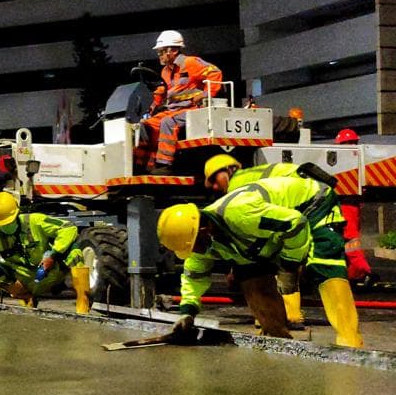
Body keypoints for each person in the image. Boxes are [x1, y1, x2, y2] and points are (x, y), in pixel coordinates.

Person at [158, 174, 363, 347]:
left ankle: (350, 342)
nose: (196, 252)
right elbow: (193, 277)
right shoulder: (201, 243)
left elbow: (296, 224)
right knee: (251, 276)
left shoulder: (241, 214)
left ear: (204, 231)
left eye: (195, 246)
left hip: (313, 204)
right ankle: (279, 341)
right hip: (278, 226)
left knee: (324, 265)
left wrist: (289, 267)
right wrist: (188, 313)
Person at [0, 192, 91, 312]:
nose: (5, 227)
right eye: (1, 224)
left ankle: (83, 304)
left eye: (8, 222)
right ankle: (28, 300)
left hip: (52, 270)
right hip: (27, 280)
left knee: (74, 250)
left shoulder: (35, 221)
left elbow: (68, 228)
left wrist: (53, 254)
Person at [135, 30, 223, 174]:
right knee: (145, 126)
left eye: (161, 52)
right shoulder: (165, 71)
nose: (160, 55)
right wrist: (152, 106)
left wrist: (206, 94)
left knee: (167, 123)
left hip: (192, 109)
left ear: (172, 50)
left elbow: (215, 73)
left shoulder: (190, 62)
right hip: (174, 110)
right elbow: (162, 91)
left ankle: (164, 165)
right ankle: (144, 165)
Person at [334, 129, 374, 286]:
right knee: (351, 239)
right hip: (349, 205)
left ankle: (358, 273)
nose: (351, 146)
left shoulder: (341, 163)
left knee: (350, 239)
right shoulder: (357, 161)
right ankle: (358, 272)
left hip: (348, 205)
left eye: (352, 143)